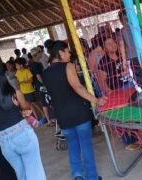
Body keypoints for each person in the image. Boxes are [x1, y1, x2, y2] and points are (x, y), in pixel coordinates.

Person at [42, 41, 105, 180]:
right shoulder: (68, 66)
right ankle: (92, 177)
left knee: (73, 146)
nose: (70, 54)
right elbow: (78, 87)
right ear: (61, 53)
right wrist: (96, 100)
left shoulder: (45, 73)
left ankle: (77, 174)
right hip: (78, 112)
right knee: (86, 146)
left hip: (62, 116)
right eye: (67, 51)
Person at [0, 61, 46, 180]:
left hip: (3, 140)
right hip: (22, 133)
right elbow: (26, 107)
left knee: (22, 175)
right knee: (35, 173)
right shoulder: (13, 93)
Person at [117, 10, 142, 98]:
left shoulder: (122, 32)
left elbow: (122, 46)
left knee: (135, 74)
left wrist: (124, 60)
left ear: (121, 20)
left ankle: (141, 90)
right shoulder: (139, 27)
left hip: (132, 56)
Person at [30, 47, 54, 126]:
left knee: (45, 102)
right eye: (40, 52)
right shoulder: (34, 64)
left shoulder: (37, 63)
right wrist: (45, 84)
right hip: (40, 86)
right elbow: (38, 77)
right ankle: (49, 120)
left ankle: (49, 120)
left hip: (40, 85)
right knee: (44, 102)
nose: (41, 54)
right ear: (37, 54)